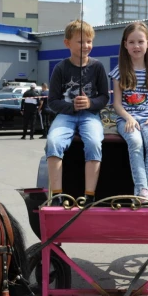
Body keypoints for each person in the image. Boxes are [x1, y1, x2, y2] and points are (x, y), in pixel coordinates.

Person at [46, 19, 109, 205]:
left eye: (89, 41)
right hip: (65, 116)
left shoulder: (97, 67)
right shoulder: (60, 68)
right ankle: (57, 195)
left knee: (94, 143)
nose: (86, 45)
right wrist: (72, 106)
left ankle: (89, 196)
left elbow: (105, 97)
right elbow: (52, 102)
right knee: (53, 141)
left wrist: (90, 103)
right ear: (67, 43)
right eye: (81, 41)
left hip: (90, 116)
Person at [109, 22, 148, 200]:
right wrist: (128, 118)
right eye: (132, 42)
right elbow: (117, 104)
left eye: (140, 41)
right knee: (135, 143)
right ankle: (143, 190)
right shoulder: (119, 72)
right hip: (127, 120)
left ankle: (145, 191)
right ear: (125, 45)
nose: (136, 46)